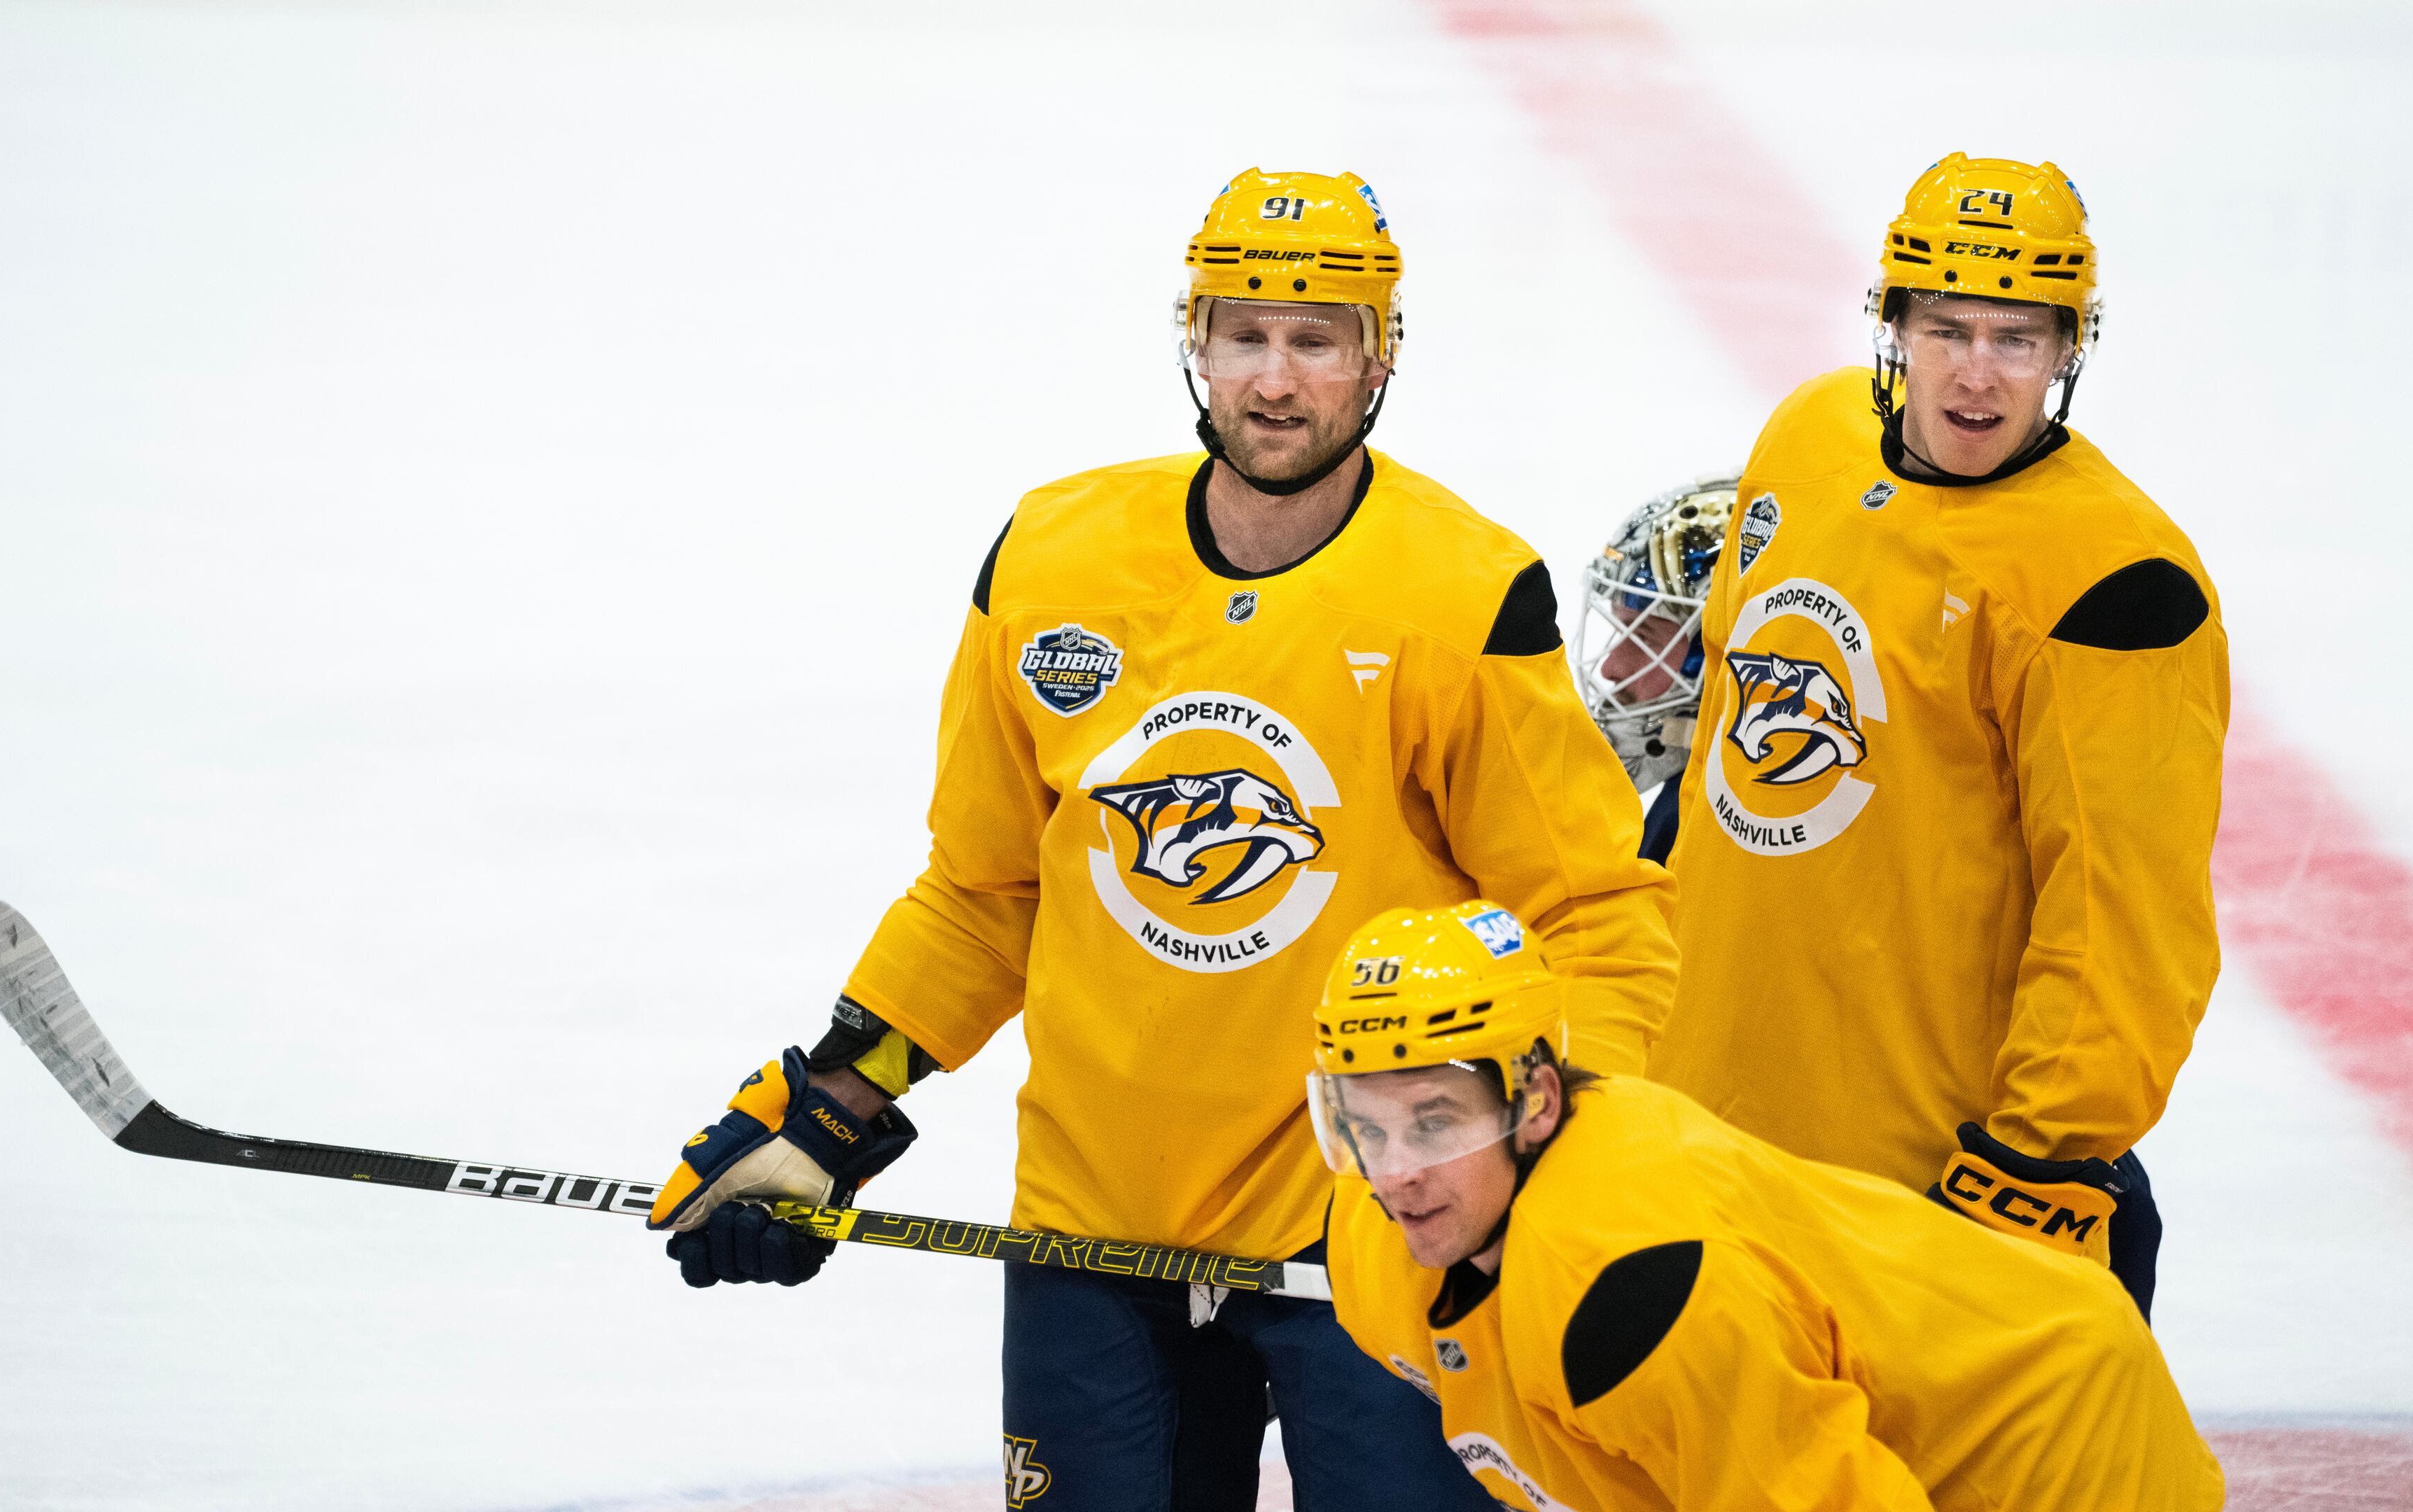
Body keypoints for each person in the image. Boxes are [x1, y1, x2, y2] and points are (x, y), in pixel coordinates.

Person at [643, 168, 1678, 1510]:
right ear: (1195, 340)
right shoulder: (1053, 558)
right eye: (1244, 335)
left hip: (1372, 1236)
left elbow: (1595, 917)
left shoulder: (1462, 594)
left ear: (1381, 357)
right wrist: (836, 1102)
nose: (1276, 381)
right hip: (1096, 1235)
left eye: (1317, 340)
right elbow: (988, 887)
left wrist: (1549, 1158)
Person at [1644, 153, 2228, 1318]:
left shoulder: (2114, 584)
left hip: (1923, 1188)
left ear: (2069, 349)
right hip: (1706, 1143)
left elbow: (2124, 924)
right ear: (1892, 324)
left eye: (2017, 338)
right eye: (1947, 329)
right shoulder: (1808, 437)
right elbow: (1725, 741)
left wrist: (2031, 1166)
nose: (1976, 373)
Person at [1310, 900, 2225, 1511]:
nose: (1397, 1174)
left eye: (1436, 1122)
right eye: (1367, 1127)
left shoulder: (1631, 1287)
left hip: (2046, 1436)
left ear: (1537, 1103)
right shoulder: (1378, 1237)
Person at [1571, 475, 1737, 863]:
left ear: (1720, 647)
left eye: (1644, 636)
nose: (1610, 667)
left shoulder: (1715, 840)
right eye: (1621, 631)